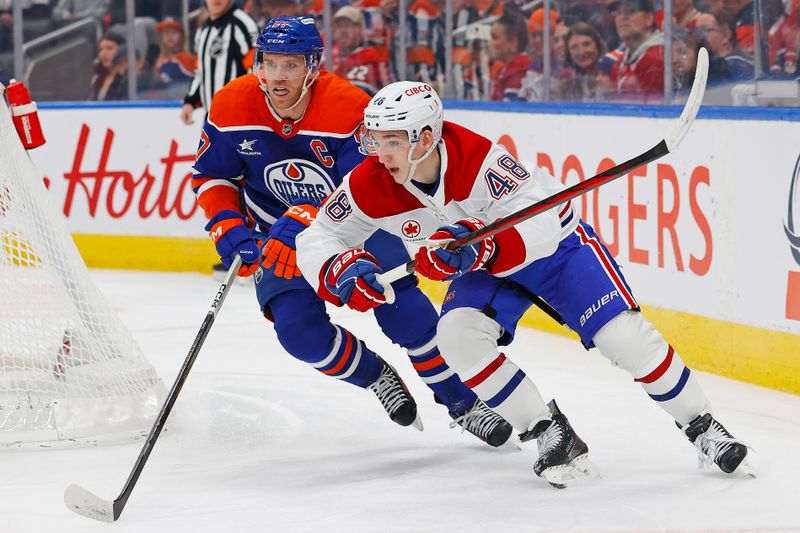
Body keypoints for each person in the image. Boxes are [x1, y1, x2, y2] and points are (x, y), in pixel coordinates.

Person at [295, 81, 753, 487]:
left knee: (625, 340)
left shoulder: (481, 161)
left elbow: (542, 221)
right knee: (456, 337)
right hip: (485, 268)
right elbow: (318, 235)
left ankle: (703, 427)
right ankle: (549, 431)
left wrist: (480, 249)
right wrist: (339, 268)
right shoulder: (371, 182)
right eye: (374, 139)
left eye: (391, 141)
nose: (379, 152)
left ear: (427, 139)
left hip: (556, 251)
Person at [191, 16, 513, 447]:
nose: (278, 76)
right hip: (277, 239)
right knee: (299, 334)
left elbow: (366, 186)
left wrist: (307, 216)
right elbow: (213, 177)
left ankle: (462, 401)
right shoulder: (230, 105)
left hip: (356, 225)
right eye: (270, 63)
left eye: (291, 64)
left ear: (313, 66)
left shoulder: (348, 107)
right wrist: (227, 226)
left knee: (407, 315)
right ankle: (377, 376)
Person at [181, 0, 259, 126]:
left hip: (240, 117)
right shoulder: (203, 32)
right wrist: (190, 102)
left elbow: (257, 68)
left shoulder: (243, 23)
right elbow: (200, 73)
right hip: (211, 117)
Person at [608, 0, 665, 102]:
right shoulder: (620, 61)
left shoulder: (656, 58)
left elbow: (649, 111)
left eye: (630, 11)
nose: (622, 17)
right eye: (618, 13)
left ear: (649, 18)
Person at [330, 5, 391, 95]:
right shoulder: (327, 59)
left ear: (360, 29)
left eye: (347, 26)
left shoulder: (374, 58)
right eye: (339, 26)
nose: (343, 31)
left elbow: (388, 94)